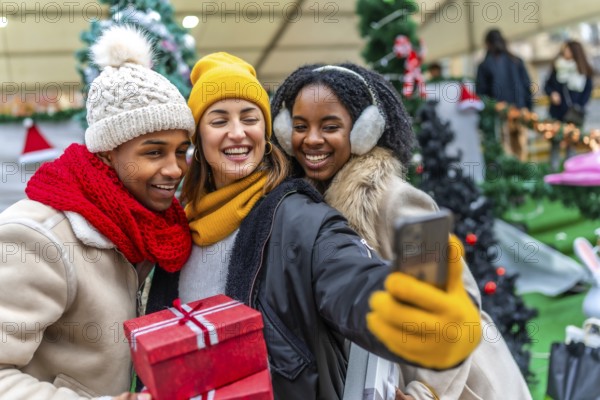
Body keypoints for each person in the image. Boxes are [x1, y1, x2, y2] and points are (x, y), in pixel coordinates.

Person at [144, 52, 482, 399]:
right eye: (218, 121)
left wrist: (405, 312)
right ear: (198, 138)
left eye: (249, 118)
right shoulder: (179, 220)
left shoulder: (300, 214)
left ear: (266, 131)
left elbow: (347, 277)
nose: (237, 133)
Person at [271, 63, 532, 399]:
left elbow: (455, 306)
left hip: (453, 381)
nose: (312, 139)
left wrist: (424, 391)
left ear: (363, 131)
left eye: (330, 126)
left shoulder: (399, 198)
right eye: (300, 126)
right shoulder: (305, 202)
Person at [0, 26, 196, 399]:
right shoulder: (38, 236)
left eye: (180, 151)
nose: (174, 169)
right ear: (108, 153)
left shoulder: (145, 227)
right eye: (154, 152)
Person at [476, 28, 532, 161]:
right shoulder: (517, 61)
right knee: (521, 149)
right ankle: (522, 175)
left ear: (487, 44)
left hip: (499, 113)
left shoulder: (484, 65)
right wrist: (527, 108)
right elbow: (527, 86)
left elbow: (481, 94)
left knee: (504, 150)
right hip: (520, 111)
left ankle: (510, 178)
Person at [544, 40, 594, 170]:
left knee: (572, 144)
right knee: (555, 142)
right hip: (557, 112)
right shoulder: (557, 67)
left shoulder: (583, 70)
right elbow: (547, 86)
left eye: (567, 49)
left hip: (574, 114)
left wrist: (579, 106)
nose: (564, 52)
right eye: (564, 50)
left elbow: (587, 91)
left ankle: (570, 172)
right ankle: (553, 172)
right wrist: (552, 93)